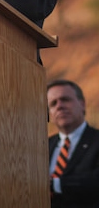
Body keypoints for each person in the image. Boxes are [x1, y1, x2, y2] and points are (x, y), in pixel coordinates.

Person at [47, 79, 99, 208]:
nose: (59, 106)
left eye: (65, 99)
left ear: (82, 104)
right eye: (53, 104)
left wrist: (54, 184)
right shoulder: (42, 147)